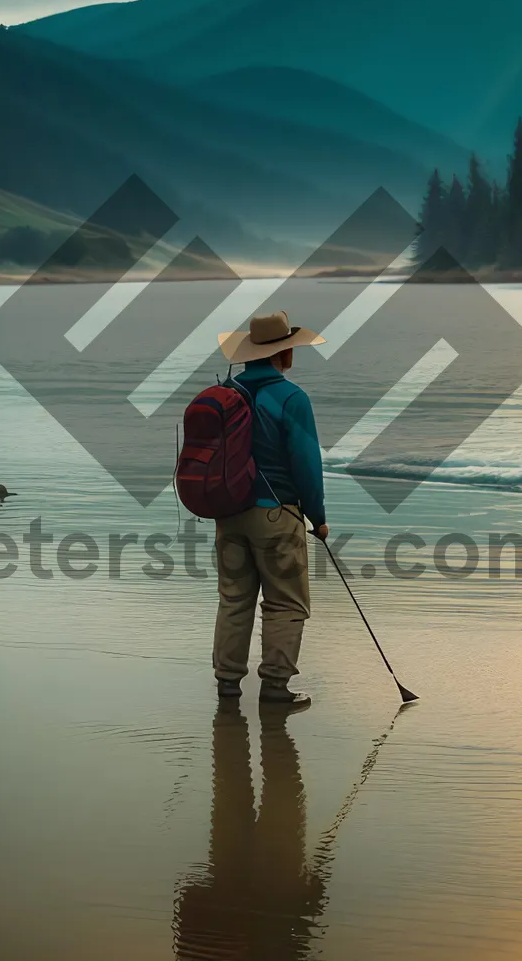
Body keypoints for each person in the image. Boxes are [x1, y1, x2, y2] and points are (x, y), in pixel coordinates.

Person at [212, 310, 327, 707]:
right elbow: (307, 463)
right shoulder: (292, 397)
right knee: (286, 602)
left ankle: (228, 685)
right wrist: (319, 518)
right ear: (286, 354)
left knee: (234, 599)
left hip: (228, 513)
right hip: (277, 514)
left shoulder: (226, 395)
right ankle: (275, 688)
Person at [172, 704, 326, 959]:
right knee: (272, 791)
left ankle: (229, 684)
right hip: (264, 902)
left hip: (225, 913)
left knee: (236, 792)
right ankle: (274, 688)